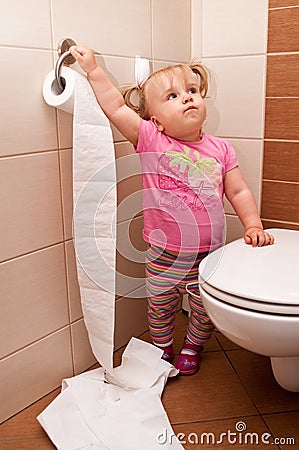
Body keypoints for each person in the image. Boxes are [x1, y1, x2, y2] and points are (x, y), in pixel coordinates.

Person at [70, 45, 275, 376]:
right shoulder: (150, 138)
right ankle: (163, 347)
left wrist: (253, 224)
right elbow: (116, 107)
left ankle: (193, 346)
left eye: (192, 91)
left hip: (207, 254)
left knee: (203, 309)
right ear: (156, 121)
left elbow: (238, 190)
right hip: (163, 250)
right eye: (173, 96)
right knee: (160, 307)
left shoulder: (221, 148)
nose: (188, 98)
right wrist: (94, 70)